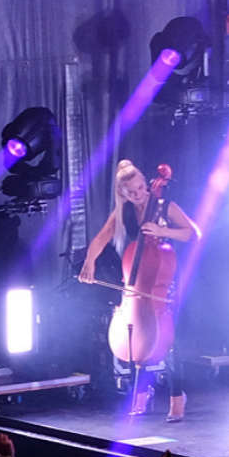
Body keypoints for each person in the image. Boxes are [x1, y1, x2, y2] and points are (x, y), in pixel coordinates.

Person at [80, 159, 198, 421]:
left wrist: (161, 229)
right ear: (123, 193)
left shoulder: (164, 206)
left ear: (146, 183)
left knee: (169, 342)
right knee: (139, 339)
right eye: (131, 192)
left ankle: (177, 397)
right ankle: (142, 393)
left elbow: (192, 233)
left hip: (164, 281)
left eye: (141, 188)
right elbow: (101, 238)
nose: (138, 194)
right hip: (138, 283)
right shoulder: (124, 211)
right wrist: (89, 261)